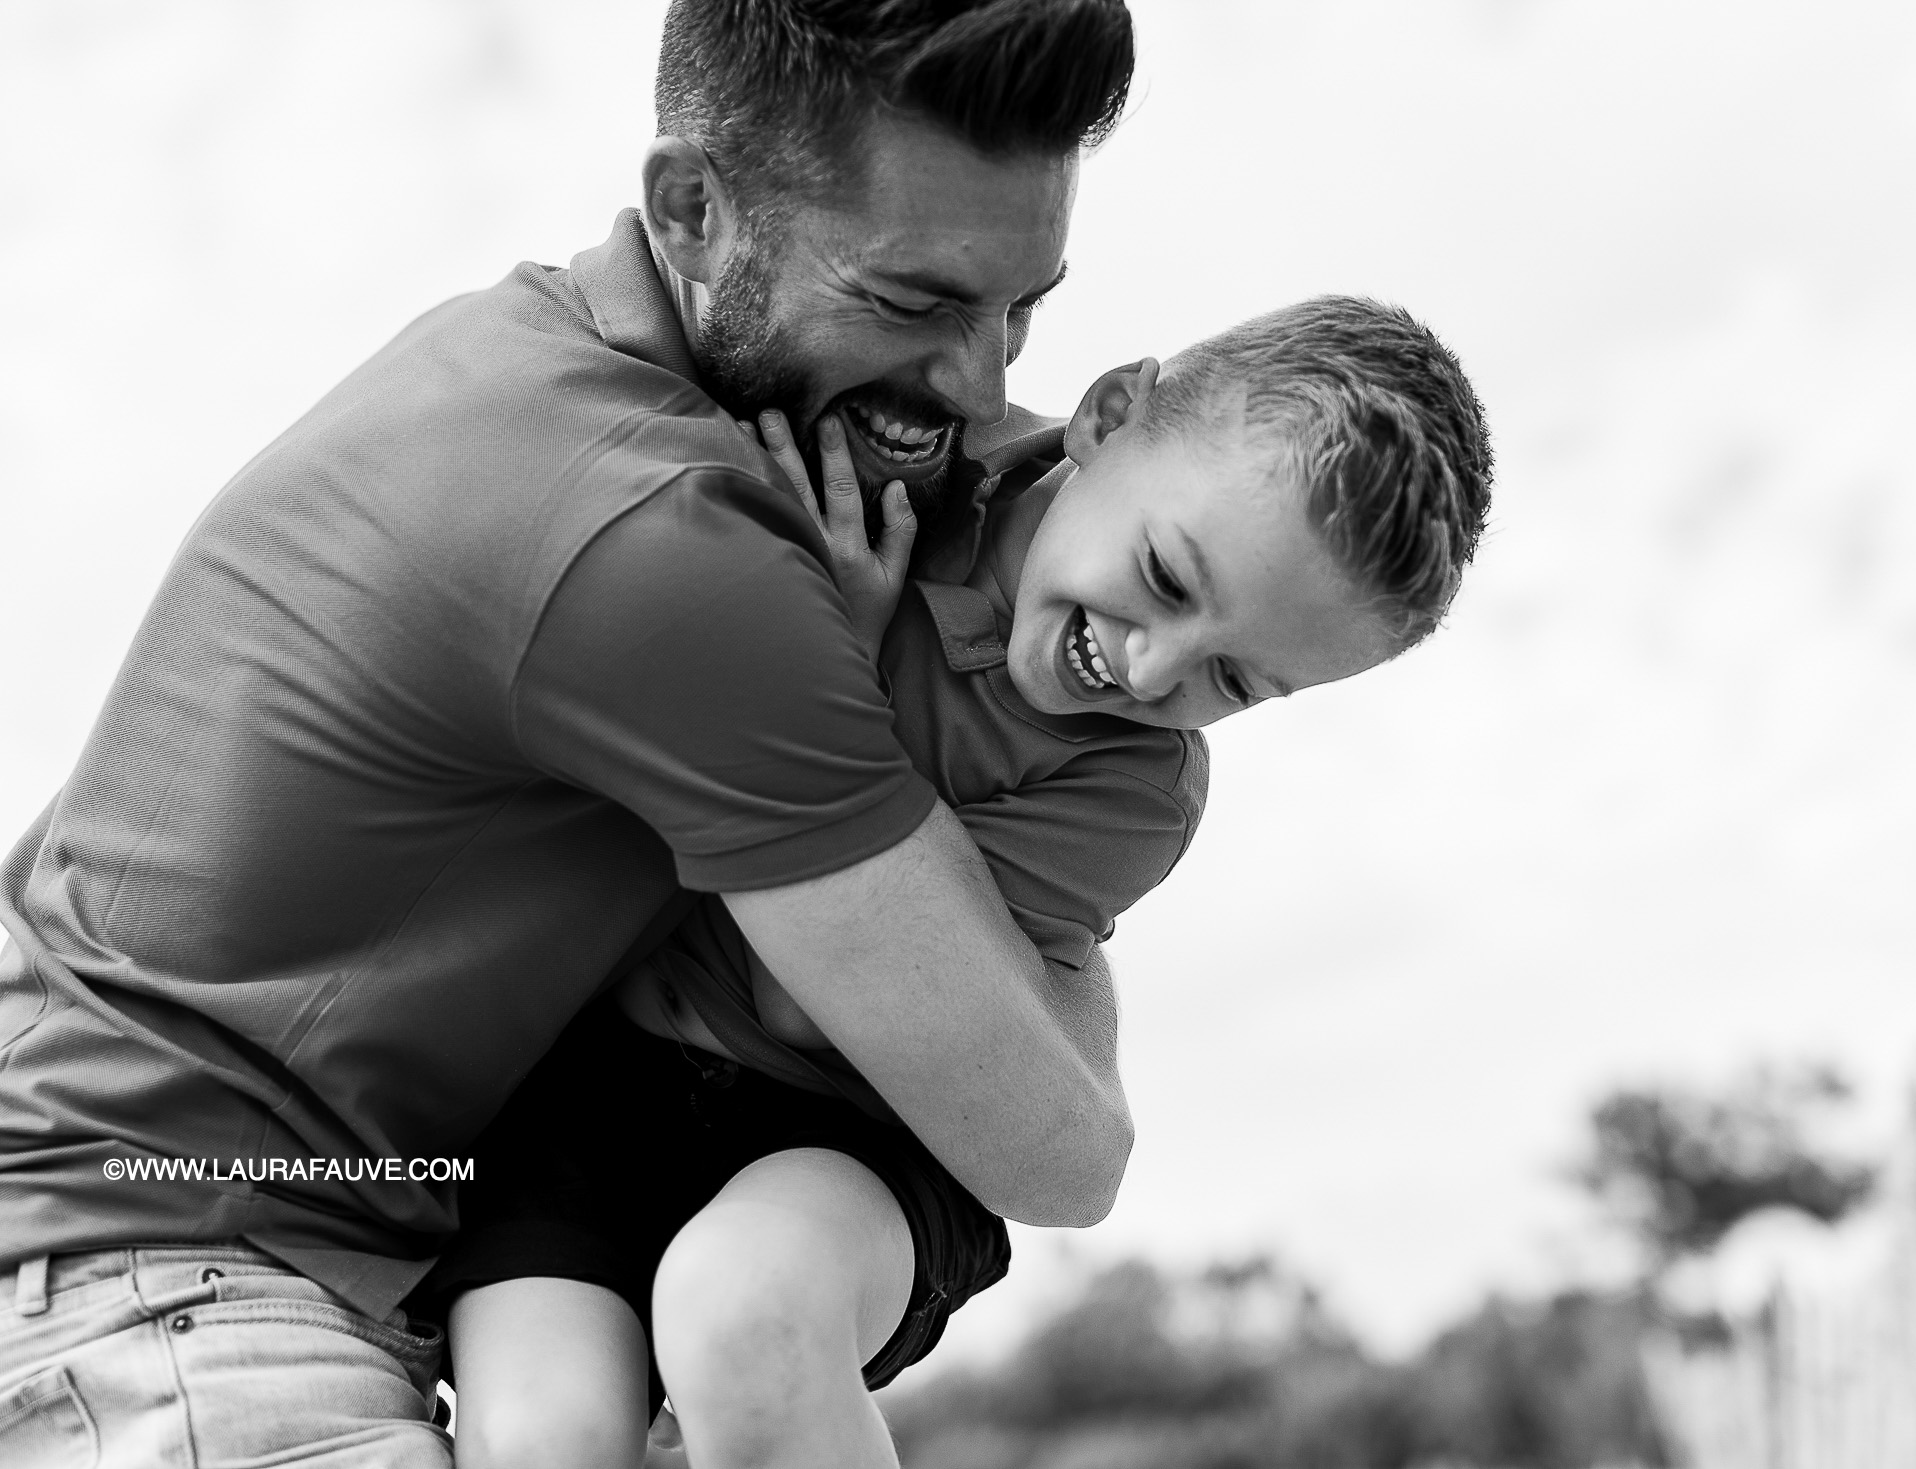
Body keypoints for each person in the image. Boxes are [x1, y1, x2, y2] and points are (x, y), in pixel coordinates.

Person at [0, 3, 1145, 1463]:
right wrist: (1072, 955)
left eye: (1019, 310)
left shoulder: (536, 358)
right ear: (693, 207)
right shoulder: (661, 538)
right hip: (166, 1301)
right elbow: (1054, 1149)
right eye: (916, 306)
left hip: (164, 1262)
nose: (982, 385)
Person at [433, 297, 1495, 1469]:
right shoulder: (904, 460)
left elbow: (841, 991)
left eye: (1233, 680)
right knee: (539, 1436)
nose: (1148, 667)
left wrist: (817, 666)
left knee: (745, 1315)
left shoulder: (1134, 794)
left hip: (854, 1131)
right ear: (1107, 415)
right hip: (597, 1072)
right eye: (1164, 575)